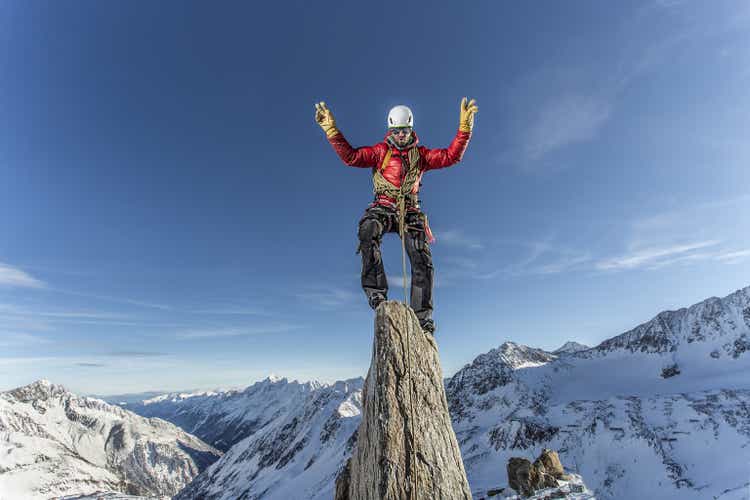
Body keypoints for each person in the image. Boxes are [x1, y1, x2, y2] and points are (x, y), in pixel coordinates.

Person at [314, 98, 478, 334]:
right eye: (396, 131)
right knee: (368, 230)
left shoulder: (420, 156)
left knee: (421, 258)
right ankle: (377, 294)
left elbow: (451, 156)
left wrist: (464, 130)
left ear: (411, 130)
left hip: (409, 210)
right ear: (390, 130)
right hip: (384, 206)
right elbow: (351, 157)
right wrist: (332, 131)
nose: (401, 135)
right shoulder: (380, 152)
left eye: (405, 130)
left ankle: (422, 317)